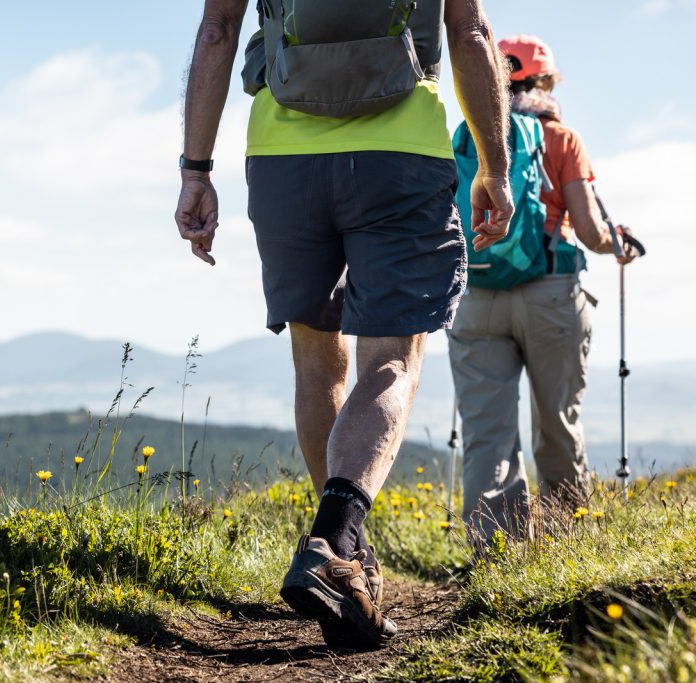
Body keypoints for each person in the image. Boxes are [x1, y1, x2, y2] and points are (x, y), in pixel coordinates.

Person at [174, 0, 512, 647]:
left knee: (316, 361)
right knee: (391, 357)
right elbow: (469, 31)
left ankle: (343, 554)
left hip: (282, 159)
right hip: (400, 155)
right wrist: (493, 168)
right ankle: (337, 540)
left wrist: (196, 170)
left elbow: (218, 31)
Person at [448, 34, 638, 548]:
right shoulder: (562, 140)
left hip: (478, 298)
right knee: (557, 422)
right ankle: (565, 545)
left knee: (488, 433)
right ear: (545, 80)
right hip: (552, 295)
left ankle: (497, 554)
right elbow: (591, 230)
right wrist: (618, 246)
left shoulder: (468, 136)